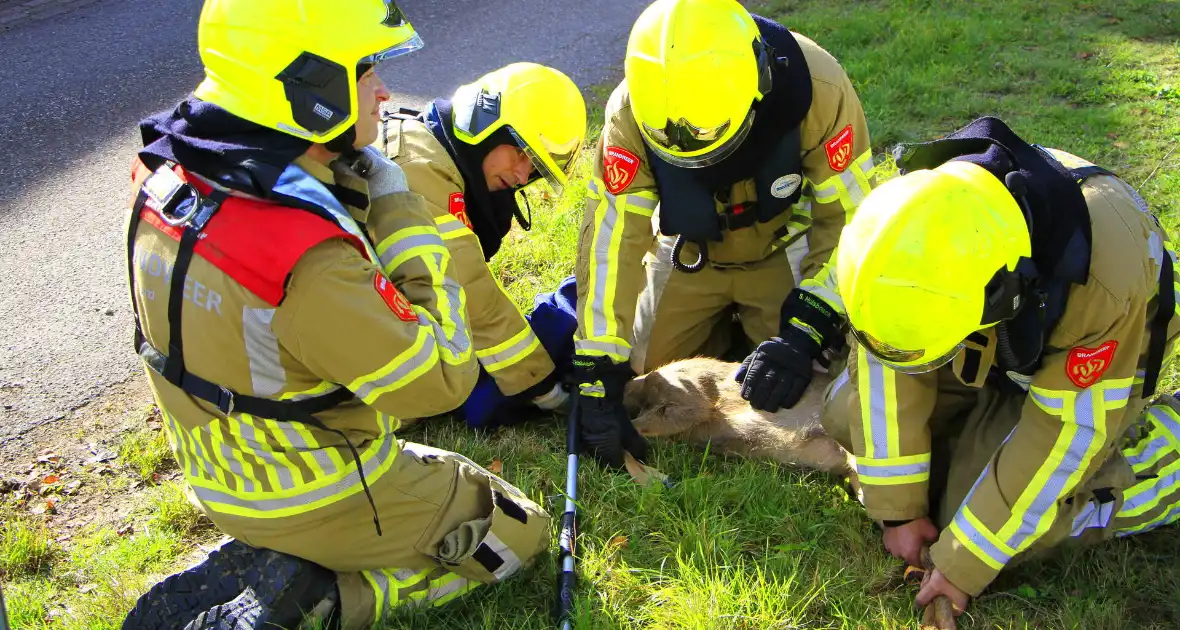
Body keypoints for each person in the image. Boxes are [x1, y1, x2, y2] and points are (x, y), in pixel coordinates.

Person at [120, 1, 549, 628]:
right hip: (315, 487)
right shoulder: (304, 254)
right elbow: (441, 380)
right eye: (364, 69)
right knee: (519, 534)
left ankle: (282, 556)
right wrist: (400, 207)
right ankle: (325, 600)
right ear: (307, 89)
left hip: (217, 468)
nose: (381, 90)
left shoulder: (164, 169)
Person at [821, 116, 1180, 615]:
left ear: (1000, 296)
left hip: (1111, 350)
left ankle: (1164, 450)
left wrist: (963, 562)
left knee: (1001, 524)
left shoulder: (1104, 283)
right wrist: (897, 510)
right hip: (992, 325)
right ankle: (980, 449)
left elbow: (1061, 432)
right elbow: (886, 363)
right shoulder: (902, 224)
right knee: (844, 412)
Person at [572, 0, 874, 469]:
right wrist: (596, 372)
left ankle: (763, 324)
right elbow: (614, 239)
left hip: (781, 246)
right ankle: (723, 326)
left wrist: (805, 331)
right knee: (641, 366)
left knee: (820, 375)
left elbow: (853, 224)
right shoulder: (630, 112)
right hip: (690, 251)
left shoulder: (820, 88)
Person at [378, 63, 587, 429]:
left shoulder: (434, 148)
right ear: (483, 123)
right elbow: (469, 293)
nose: (523, 175)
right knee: (481, 401)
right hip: (359, 363)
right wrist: (546, 390)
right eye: (521, 152)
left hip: (385, 330)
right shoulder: (417, 168)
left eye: (535, 166)